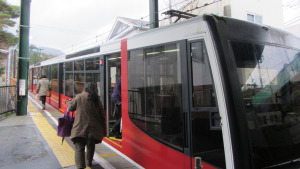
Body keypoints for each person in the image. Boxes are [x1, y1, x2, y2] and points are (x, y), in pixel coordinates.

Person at [67, 82, 106, 169]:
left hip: (80, 128)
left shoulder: (79, 97)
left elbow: (70, 108)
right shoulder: (97, 100)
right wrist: (104, 130)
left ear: (85, 88)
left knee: (79, 148)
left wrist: (68, 103)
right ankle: (89, 163)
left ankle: (80, 166)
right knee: (91, 146)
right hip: (94, 129)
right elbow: (102, 116)